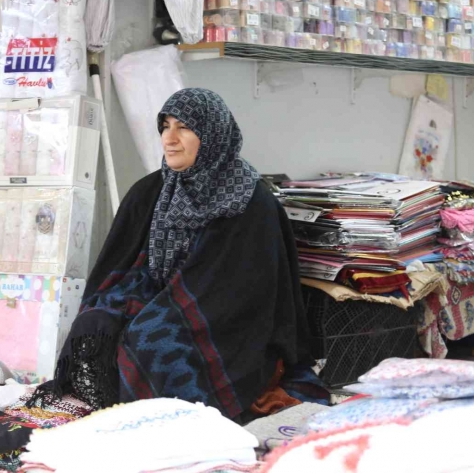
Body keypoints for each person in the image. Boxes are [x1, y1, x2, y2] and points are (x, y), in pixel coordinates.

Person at [31, 88, 315, 424]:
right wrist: (133, 299)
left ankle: (164, 427)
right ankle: (112, 411)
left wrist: (164, 310)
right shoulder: (150, 190)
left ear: (212, 135)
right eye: (165, 126)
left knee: (154, 339)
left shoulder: (249, 201)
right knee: (96, 323)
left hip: (227, 318)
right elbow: (120, 262)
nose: (170, 138)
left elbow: (243, 290)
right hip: (161, 292)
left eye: (184, 127)